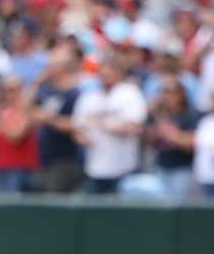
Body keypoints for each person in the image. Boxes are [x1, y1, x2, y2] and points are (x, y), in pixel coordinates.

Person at [73, 58, 148, 194]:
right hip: (94, 165)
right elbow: (77, 128)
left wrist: (101, 124)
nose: (106, 76)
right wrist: (82, 137)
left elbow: (134, 126)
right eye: (103, 73)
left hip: (123, 166)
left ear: (119, 73)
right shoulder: (89, 97)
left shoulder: (129, 93)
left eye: (111, 72)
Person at [32, 48, 83, 193]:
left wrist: (48, 119)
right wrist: (35, 82)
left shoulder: (75, 93)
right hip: (44, 158)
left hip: (65, 161)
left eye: (51, 66)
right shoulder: (47, 90)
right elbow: (27, 109)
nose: (47, 70)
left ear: (62, 68)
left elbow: (75, 125)